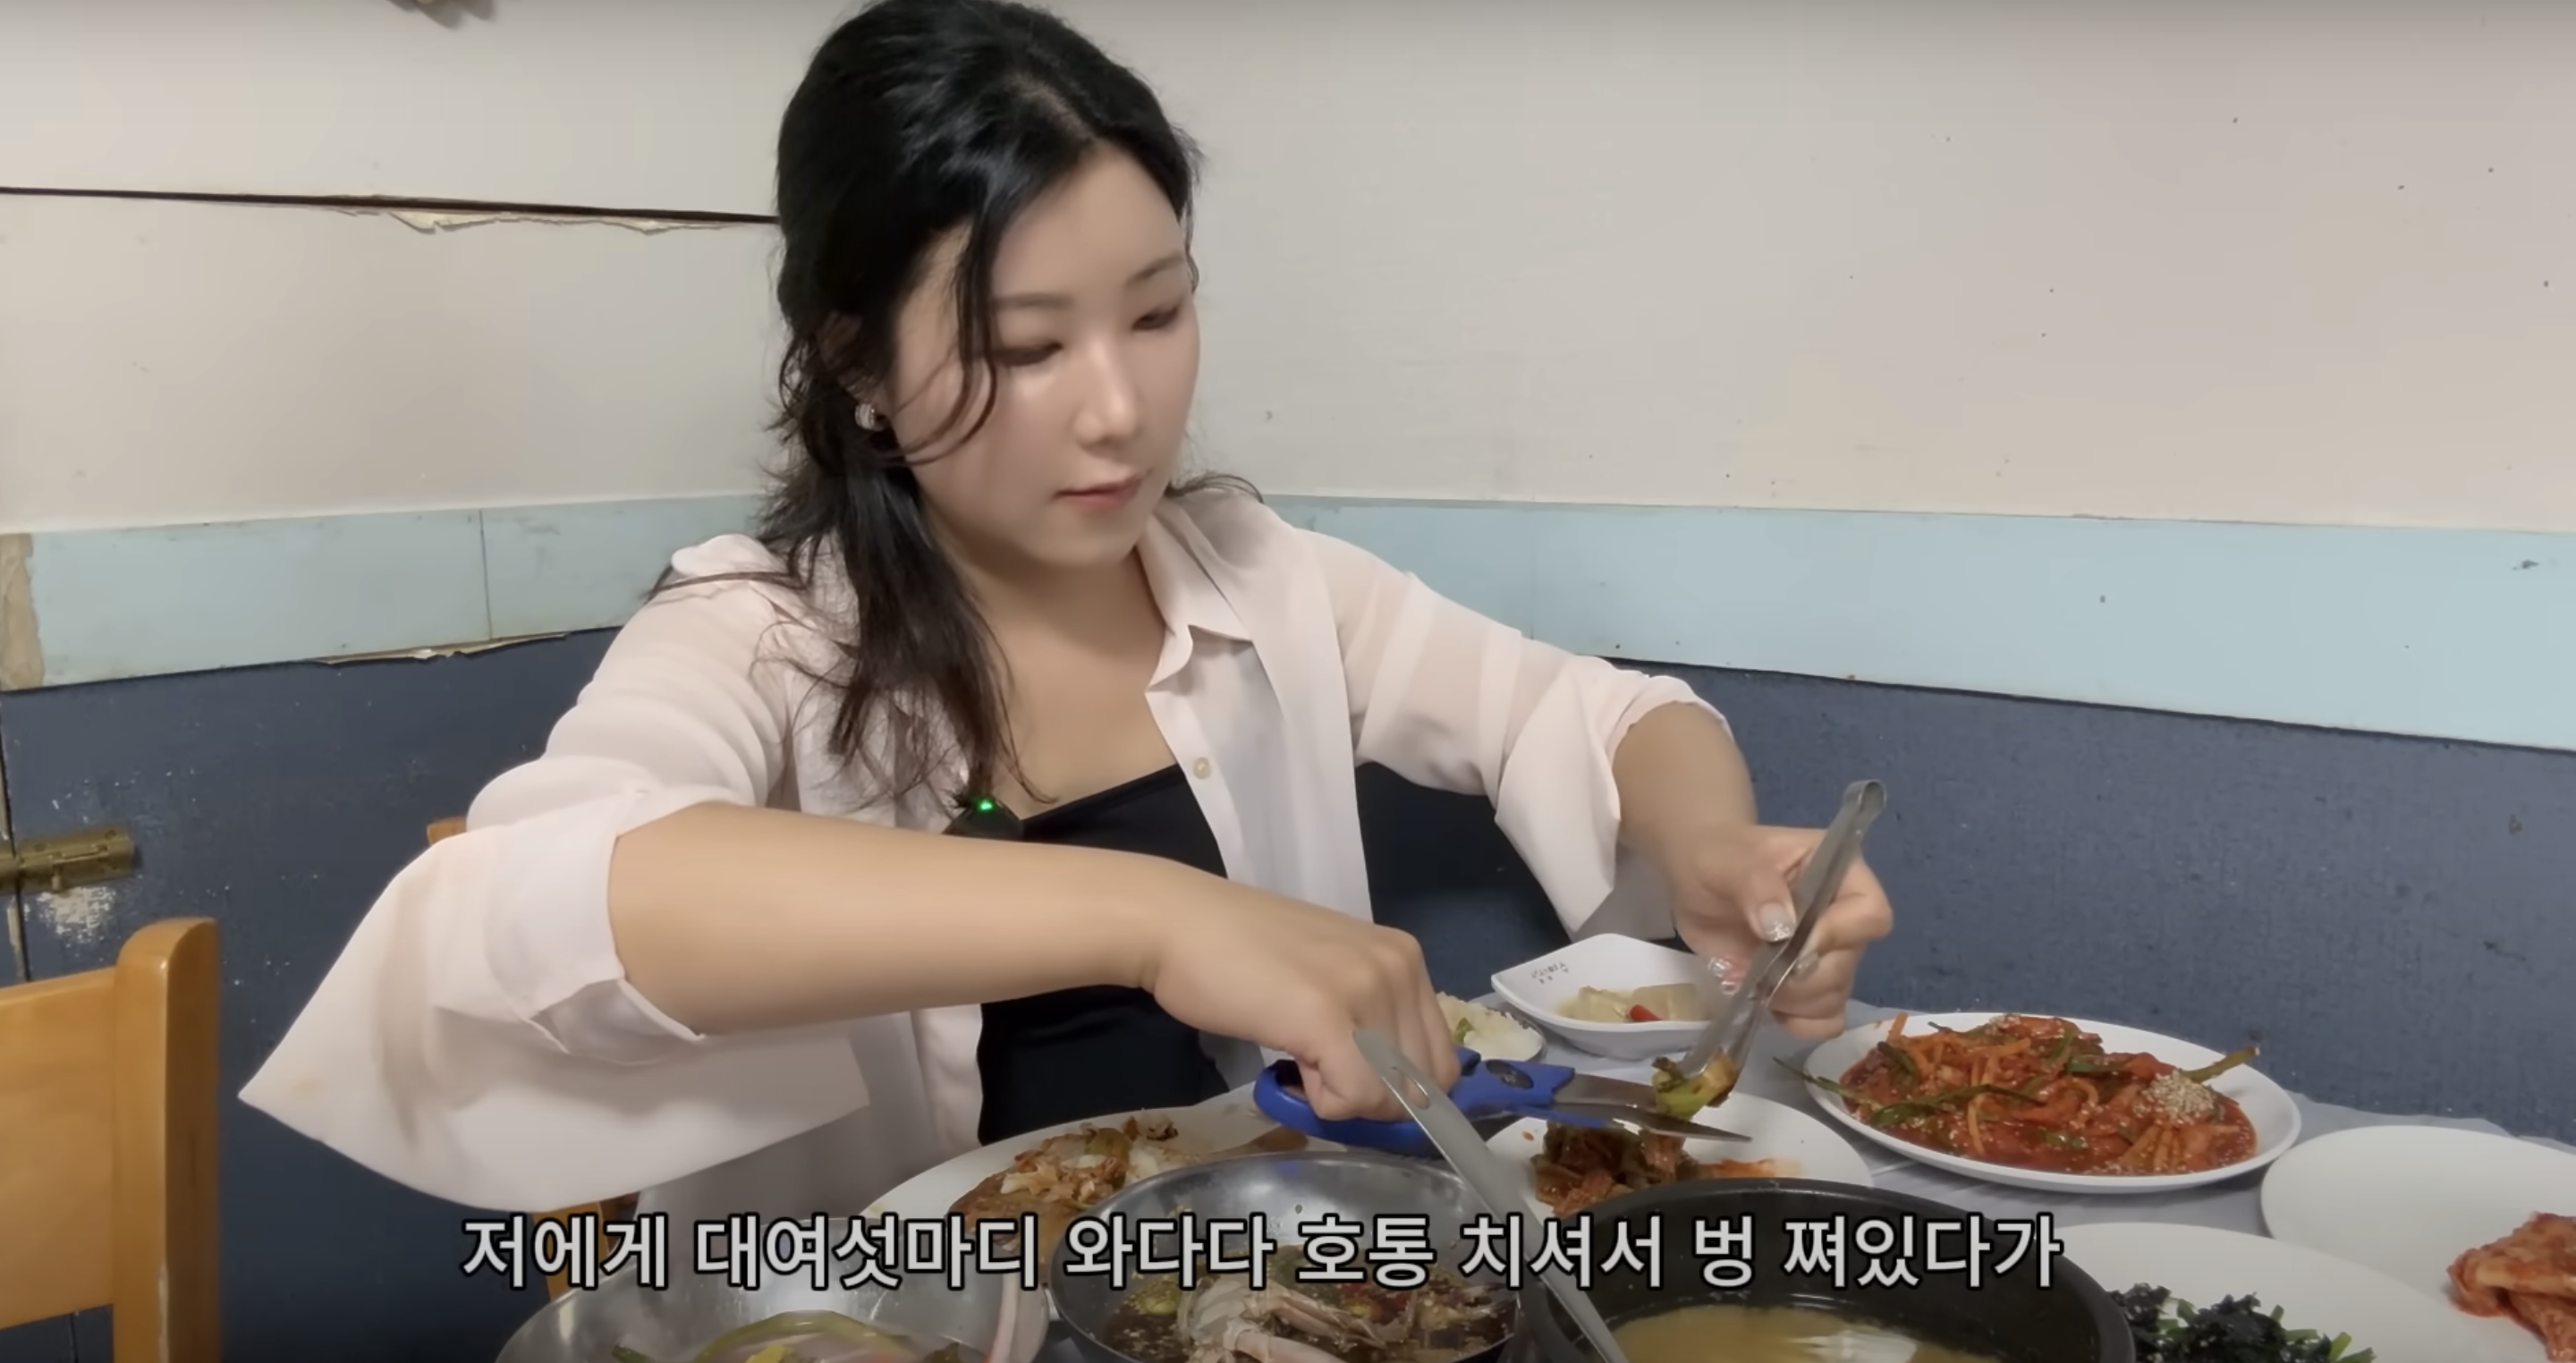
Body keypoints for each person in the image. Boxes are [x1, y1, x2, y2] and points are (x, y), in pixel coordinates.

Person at [242, 0, 1894, 1222]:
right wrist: (1152, 915)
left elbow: (1592, 714)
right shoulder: (760, 633)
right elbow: (525, 903)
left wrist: (1714, 852)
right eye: (1025, 347)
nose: (1118, 411)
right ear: (855, 362)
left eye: (1157, 315)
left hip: (1266, 1288)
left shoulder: (1254, 576)